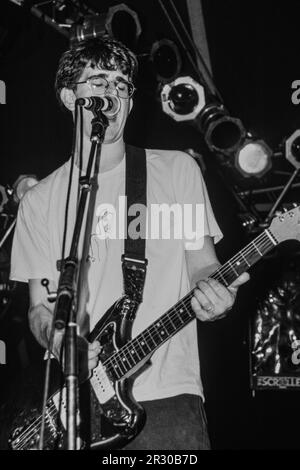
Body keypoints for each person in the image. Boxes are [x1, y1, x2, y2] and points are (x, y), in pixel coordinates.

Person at [10, 36, 249, 450]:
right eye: (98, 82)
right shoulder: (39, 201)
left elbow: (203, 265)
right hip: (73, 406)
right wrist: (58, 340)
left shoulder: (177, 171)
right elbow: (40, 307)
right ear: (70, 98)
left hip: (167, 397)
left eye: (121, 85)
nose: (112, 94)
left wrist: (216, 291)